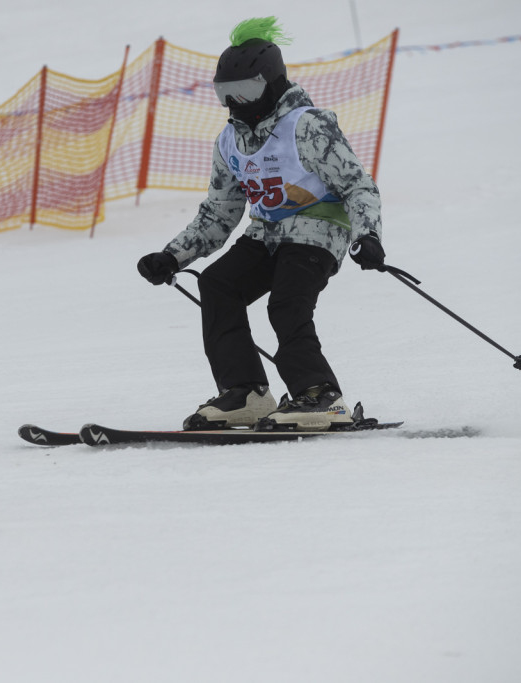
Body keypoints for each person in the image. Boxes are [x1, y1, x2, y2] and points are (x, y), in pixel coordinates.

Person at [136, 16, 386, 432]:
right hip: (266, 233)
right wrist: (173, 256)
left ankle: (320, 396)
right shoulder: (229, 141)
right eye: (224, 93)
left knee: (286, 301)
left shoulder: (308, 126)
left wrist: (368, 236)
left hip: (318, 230)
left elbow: (358, 187)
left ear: (271, 83)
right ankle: (246, 393)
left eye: (246, 90)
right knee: (217, 284)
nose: (235, 102)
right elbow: (219, 212)